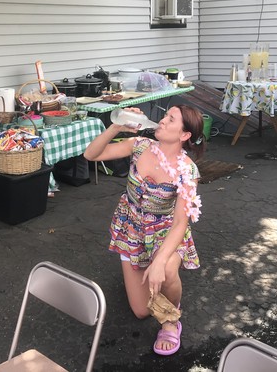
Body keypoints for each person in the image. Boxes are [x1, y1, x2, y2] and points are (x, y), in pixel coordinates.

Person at [84, 105, 205, 356]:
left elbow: (181, 223)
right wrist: (117, 126)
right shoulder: (139, 145)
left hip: (165, 229)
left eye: (170, 119)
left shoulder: (187, 171)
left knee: (167, 270)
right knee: (141, 311)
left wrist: (160, 260)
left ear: (184, 135)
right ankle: (144, 273)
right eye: (164, 116)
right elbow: (91, 154)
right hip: (132, 227)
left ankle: (171, 320)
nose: (162, 121)